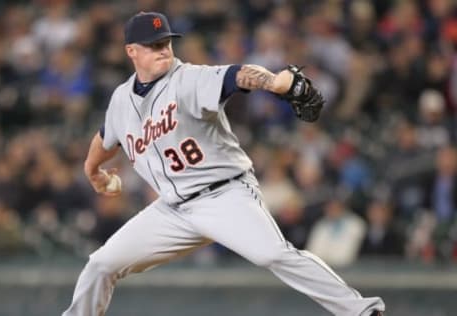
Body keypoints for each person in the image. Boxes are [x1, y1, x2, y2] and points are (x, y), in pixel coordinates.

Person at [62, 12, 385, 316]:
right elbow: (106, 138)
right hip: (172, 211)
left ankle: (362, 311)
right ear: (131, 50)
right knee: (101, 264)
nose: (163, 49)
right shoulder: (121, 99)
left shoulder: (188, 78)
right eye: (153, 44)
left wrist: (272, 83)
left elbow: (236, 76)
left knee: (272, 253)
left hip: (224, 196)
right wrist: (92, 170)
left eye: (166, 42)